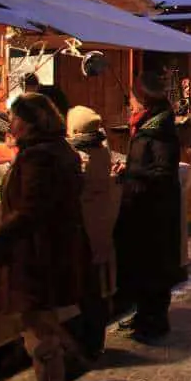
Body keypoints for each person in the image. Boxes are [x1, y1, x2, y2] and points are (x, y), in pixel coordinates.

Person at [0, 93, 88, 381]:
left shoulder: (39, 156)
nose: (11, 123)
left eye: (15, 117)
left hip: (38, 253)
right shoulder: (57, 149)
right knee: (42, 321)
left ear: (30, 120)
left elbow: (30, 210)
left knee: (38, 326)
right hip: (51, 247)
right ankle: (66, 365)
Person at [115, 72, 182, 342]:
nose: (129, 103)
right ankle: (144, 314)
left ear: (143, 101)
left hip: (153, 209)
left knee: (154, 265)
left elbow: (163, 171)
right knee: (142, 265)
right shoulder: (147, 126)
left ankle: (154, 321)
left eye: (132, 98)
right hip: (143, 204)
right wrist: (129, 168)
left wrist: (134, 174)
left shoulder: (159, 130)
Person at [67, 106, 120, 360]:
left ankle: (87, 343)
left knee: (87, 289)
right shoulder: (102, 150)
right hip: (101, 224)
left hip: (83, 228)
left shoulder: (78, 154)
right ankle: (95, 339)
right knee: (98, 285)